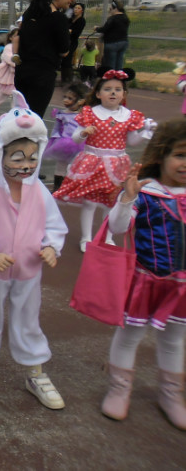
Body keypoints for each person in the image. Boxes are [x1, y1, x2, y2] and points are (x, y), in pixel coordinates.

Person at [0, 97, 67, 410]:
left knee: (28, 319)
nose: (26, 165)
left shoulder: (40, 193)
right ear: (0, 155)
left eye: (32, 158)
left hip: (28, 271)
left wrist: (50, 247)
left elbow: (55, 227)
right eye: (17, 157)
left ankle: (35, 372)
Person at [101, 120, 186, 429]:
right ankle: (119, 389)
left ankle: (171, 395)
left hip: (182, 285)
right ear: (161, 155)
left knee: (175, 339)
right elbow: (117, 228)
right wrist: (127, 198)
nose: (184, 164)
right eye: (179, 155)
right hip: (144, 278)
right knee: (129, 335)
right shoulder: (147, 192)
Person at [54, 70, 154, 251]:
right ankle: (86, 238)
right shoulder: (90, 113)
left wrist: (146, 134)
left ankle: (107, 236)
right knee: (90, 202)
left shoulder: (129, 115)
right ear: (98, 94)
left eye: (118, 89)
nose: (113, 93)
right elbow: (76, 138)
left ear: (124, 94)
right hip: (93, 161)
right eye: (107, 89)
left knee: (112, 201)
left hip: (117, 165)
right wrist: (83, 133)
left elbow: (131, 141)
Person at [13, 0, 75, 118]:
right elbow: (64, 51)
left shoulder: (30, 13)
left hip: (22, 73)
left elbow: (21, 36)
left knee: (20, 117)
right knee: (33, 119)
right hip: (42, 76)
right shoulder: (58, 19)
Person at [43, 83, 87, 191]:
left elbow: (86, 130)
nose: (66, 100)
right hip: (63, 143)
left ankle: (70, 187)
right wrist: (55, 139)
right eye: (65, 97)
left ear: (81, 101)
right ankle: (57, 187)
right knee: (61, 164)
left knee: (75, 166)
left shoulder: (83, 115)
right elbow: (56, 128)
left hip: (78, 144)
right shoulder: (61, 114)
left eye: (70, 98)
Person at [95, 0, 130, 71]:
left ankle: (110, 80)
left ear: (115, 8)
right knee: (119, 64)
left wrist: (97, 28)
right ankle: (118, 79)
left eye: (111, 8)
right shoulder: (125, 18)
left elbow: (105, 29)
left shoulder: (113, 18)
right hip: (123, 42)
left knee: (110, 66)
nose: (110, 10)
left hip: (112, 43)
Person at [60, 2, 86, 83]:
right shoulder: (70, 19)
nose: (76, 10)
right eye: (75, 8)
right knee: (63, 60)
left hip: (72, 42)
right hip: (66, 40)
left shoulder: (81, 20)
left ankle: (68, 79)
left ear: (82, 11)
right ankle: (64, 78)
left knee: (67, 59)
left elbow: (76, 32)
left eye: (78, 8)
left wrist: (70, 31)